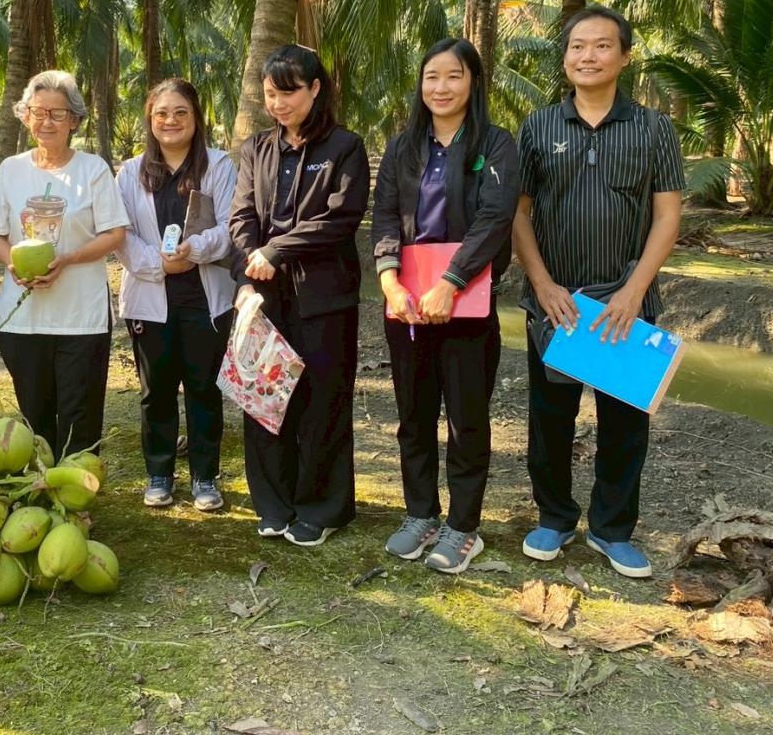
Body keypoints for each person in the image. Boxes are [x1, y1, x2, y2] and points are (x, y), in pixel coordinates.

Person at [513, 5, 684, 578]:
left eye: (602, 45)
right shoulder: (538, 127)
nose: (588, 56)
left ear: (625, 56)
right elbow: (518, 213)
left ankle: (612, 529)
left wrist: (634, 291)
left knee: (624, 423)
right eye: (577, 46)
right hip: (556, 304)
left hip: (625, 305)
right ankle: (554, 518)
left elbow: (667, 216)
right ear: (565, 58)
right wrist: (542, 284)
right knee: (550, 418)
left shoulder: (654, 128)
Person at [370, 39, 519, 574]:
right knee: (413, 415)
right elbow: (385, 215)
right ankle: (421, 514)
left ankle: (463, 526)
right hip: (408, 305)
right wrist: (389, 280)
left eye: (453, 76)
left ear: (473, 82)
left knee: (465, 419)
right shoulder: (403, 147)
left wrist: (451, 282)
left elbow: (494, 219)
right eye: (431, 76)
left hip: (467, 303)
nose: (441, 87)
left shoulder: (495, 144)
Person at [229, 45, 370, 547]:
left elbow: (339, 218)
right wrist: (247, 273)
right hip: (265, 296)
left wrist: (276, 251)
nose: (279, 103)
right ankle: (274, 503)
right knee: (263, 398)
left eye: (288, 92)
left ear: (315, 89)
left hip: (324, 296)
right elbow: (241, 215)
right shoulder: (257, 148)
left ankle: (322, 507)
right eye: (271, 93)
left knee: (322, 401)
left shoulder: (345, 147)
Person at [0, 71, 129, 459]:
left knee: (79, 417)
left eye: (58, 113)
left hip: (80, 317)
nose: (46, 121)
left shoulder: (93, 170)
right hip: (23, 318)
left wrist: (66, 259)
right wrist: (15, 264)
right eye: (38, 111)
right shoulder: (11, 169)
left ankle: (78, 487)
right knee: (35, 419)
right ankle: (40, 487)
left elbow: (114, 233)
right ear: (25, 115)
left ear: (75, 120)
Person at [116, 79, 237, 512]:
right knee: (157, 391)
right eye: (162, 113)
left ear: (196, 117)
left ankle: (205, 477)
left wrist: (193, 251)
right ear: (150, 118)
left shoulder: (218, 165)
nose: (171, 120)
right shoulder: (130, 172)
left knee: (204, 388)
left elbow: (231, 226)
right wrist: (158, 264)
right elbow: (121, 234)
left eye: (181, 112)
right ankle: (159, 473)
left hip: (205, 299)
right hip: (150, 298)